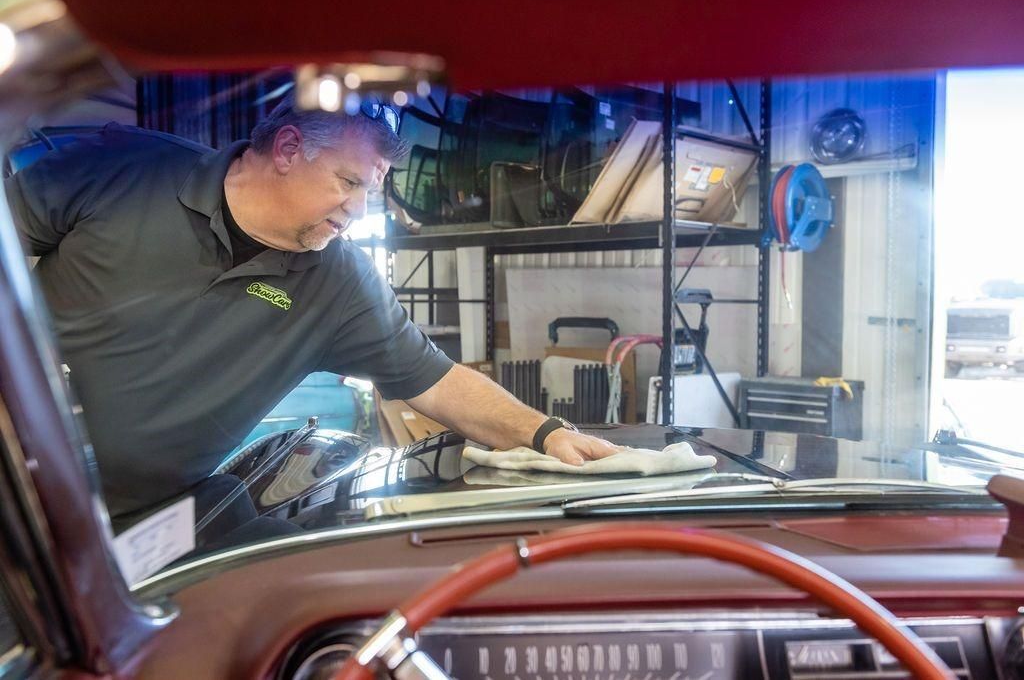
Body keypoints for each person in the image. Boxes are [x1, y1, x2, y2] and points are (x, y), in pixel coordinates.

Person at [4, 97, 620, 518]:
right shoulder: (123, 172)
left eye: (370, 193)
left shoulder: (339, 282)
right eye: (348, 182)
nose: (358, 211)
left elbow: (437, 382)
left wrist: (545, 433)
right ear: (289, 148)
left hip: (141, 523)